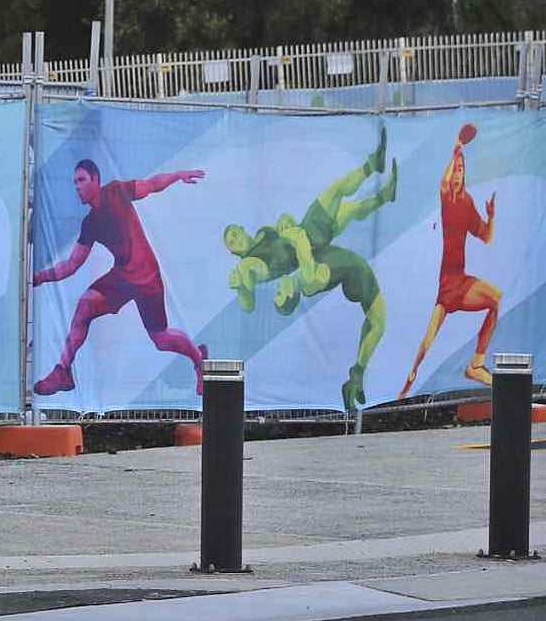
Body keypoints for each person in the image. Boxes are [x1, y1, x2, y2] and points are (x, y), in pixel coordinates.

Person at [223, 128, 397, 410]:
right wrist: (244, 286)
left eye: (236, 231)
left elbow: (287, 222)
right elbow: (249, 295)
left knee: (347, 209)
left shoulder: (264, 236)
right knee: (336, 196)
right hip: (312, 242)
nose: (236, 235)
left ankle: (383, 194)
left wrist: (285, 221)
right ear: (232, 250)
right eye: (231, 239)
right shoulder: (256, 267)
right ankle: (372, 167)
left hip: (315, 242)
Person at [32, 160, 207, 397]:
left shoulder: (117, 191)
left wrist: (178, 175)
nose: (77, 187)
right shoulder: (90, 223)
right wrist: (40, 276)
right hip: (122, 277)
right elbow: (72, 264)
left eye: (81, 180)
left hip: (146, 277)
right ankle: (63, 371)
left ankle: (199, 360)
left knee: (161, 339)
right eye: (74, 182)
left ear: (96, 180)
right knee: (85, 305)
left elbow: (152, 185)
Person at [400, 123, 500, 397]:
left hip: (462, 280)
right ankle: (407, 385)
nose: (457, 173)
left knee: (495, 299)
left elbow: (486, 237)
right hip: (447, 284)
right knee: (426, 343)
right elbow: (443, 182)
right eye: (455, 168)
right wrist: (457, 148)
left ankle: (476, 364)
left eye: (461, 169)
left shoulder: (467, 202)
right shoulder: (448, 197)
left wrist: (491, 216)